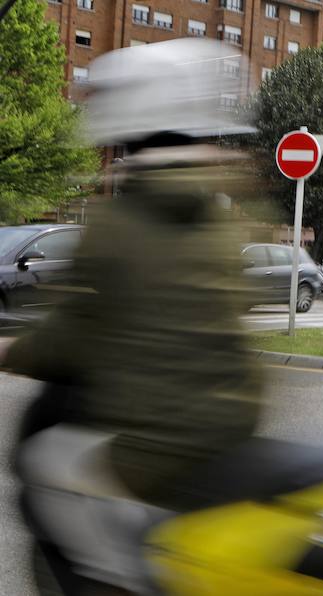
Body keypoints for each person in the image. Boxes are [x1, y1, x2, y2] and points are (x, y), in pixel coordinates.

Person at [5, 39, 264, 590]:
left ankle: (121, 580)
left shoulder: (115, 225)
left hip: (158, 439)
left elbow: (73, 334)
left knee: (48, 466)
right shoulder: (221, 220)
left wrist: (11, 350)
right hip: (235, 421)